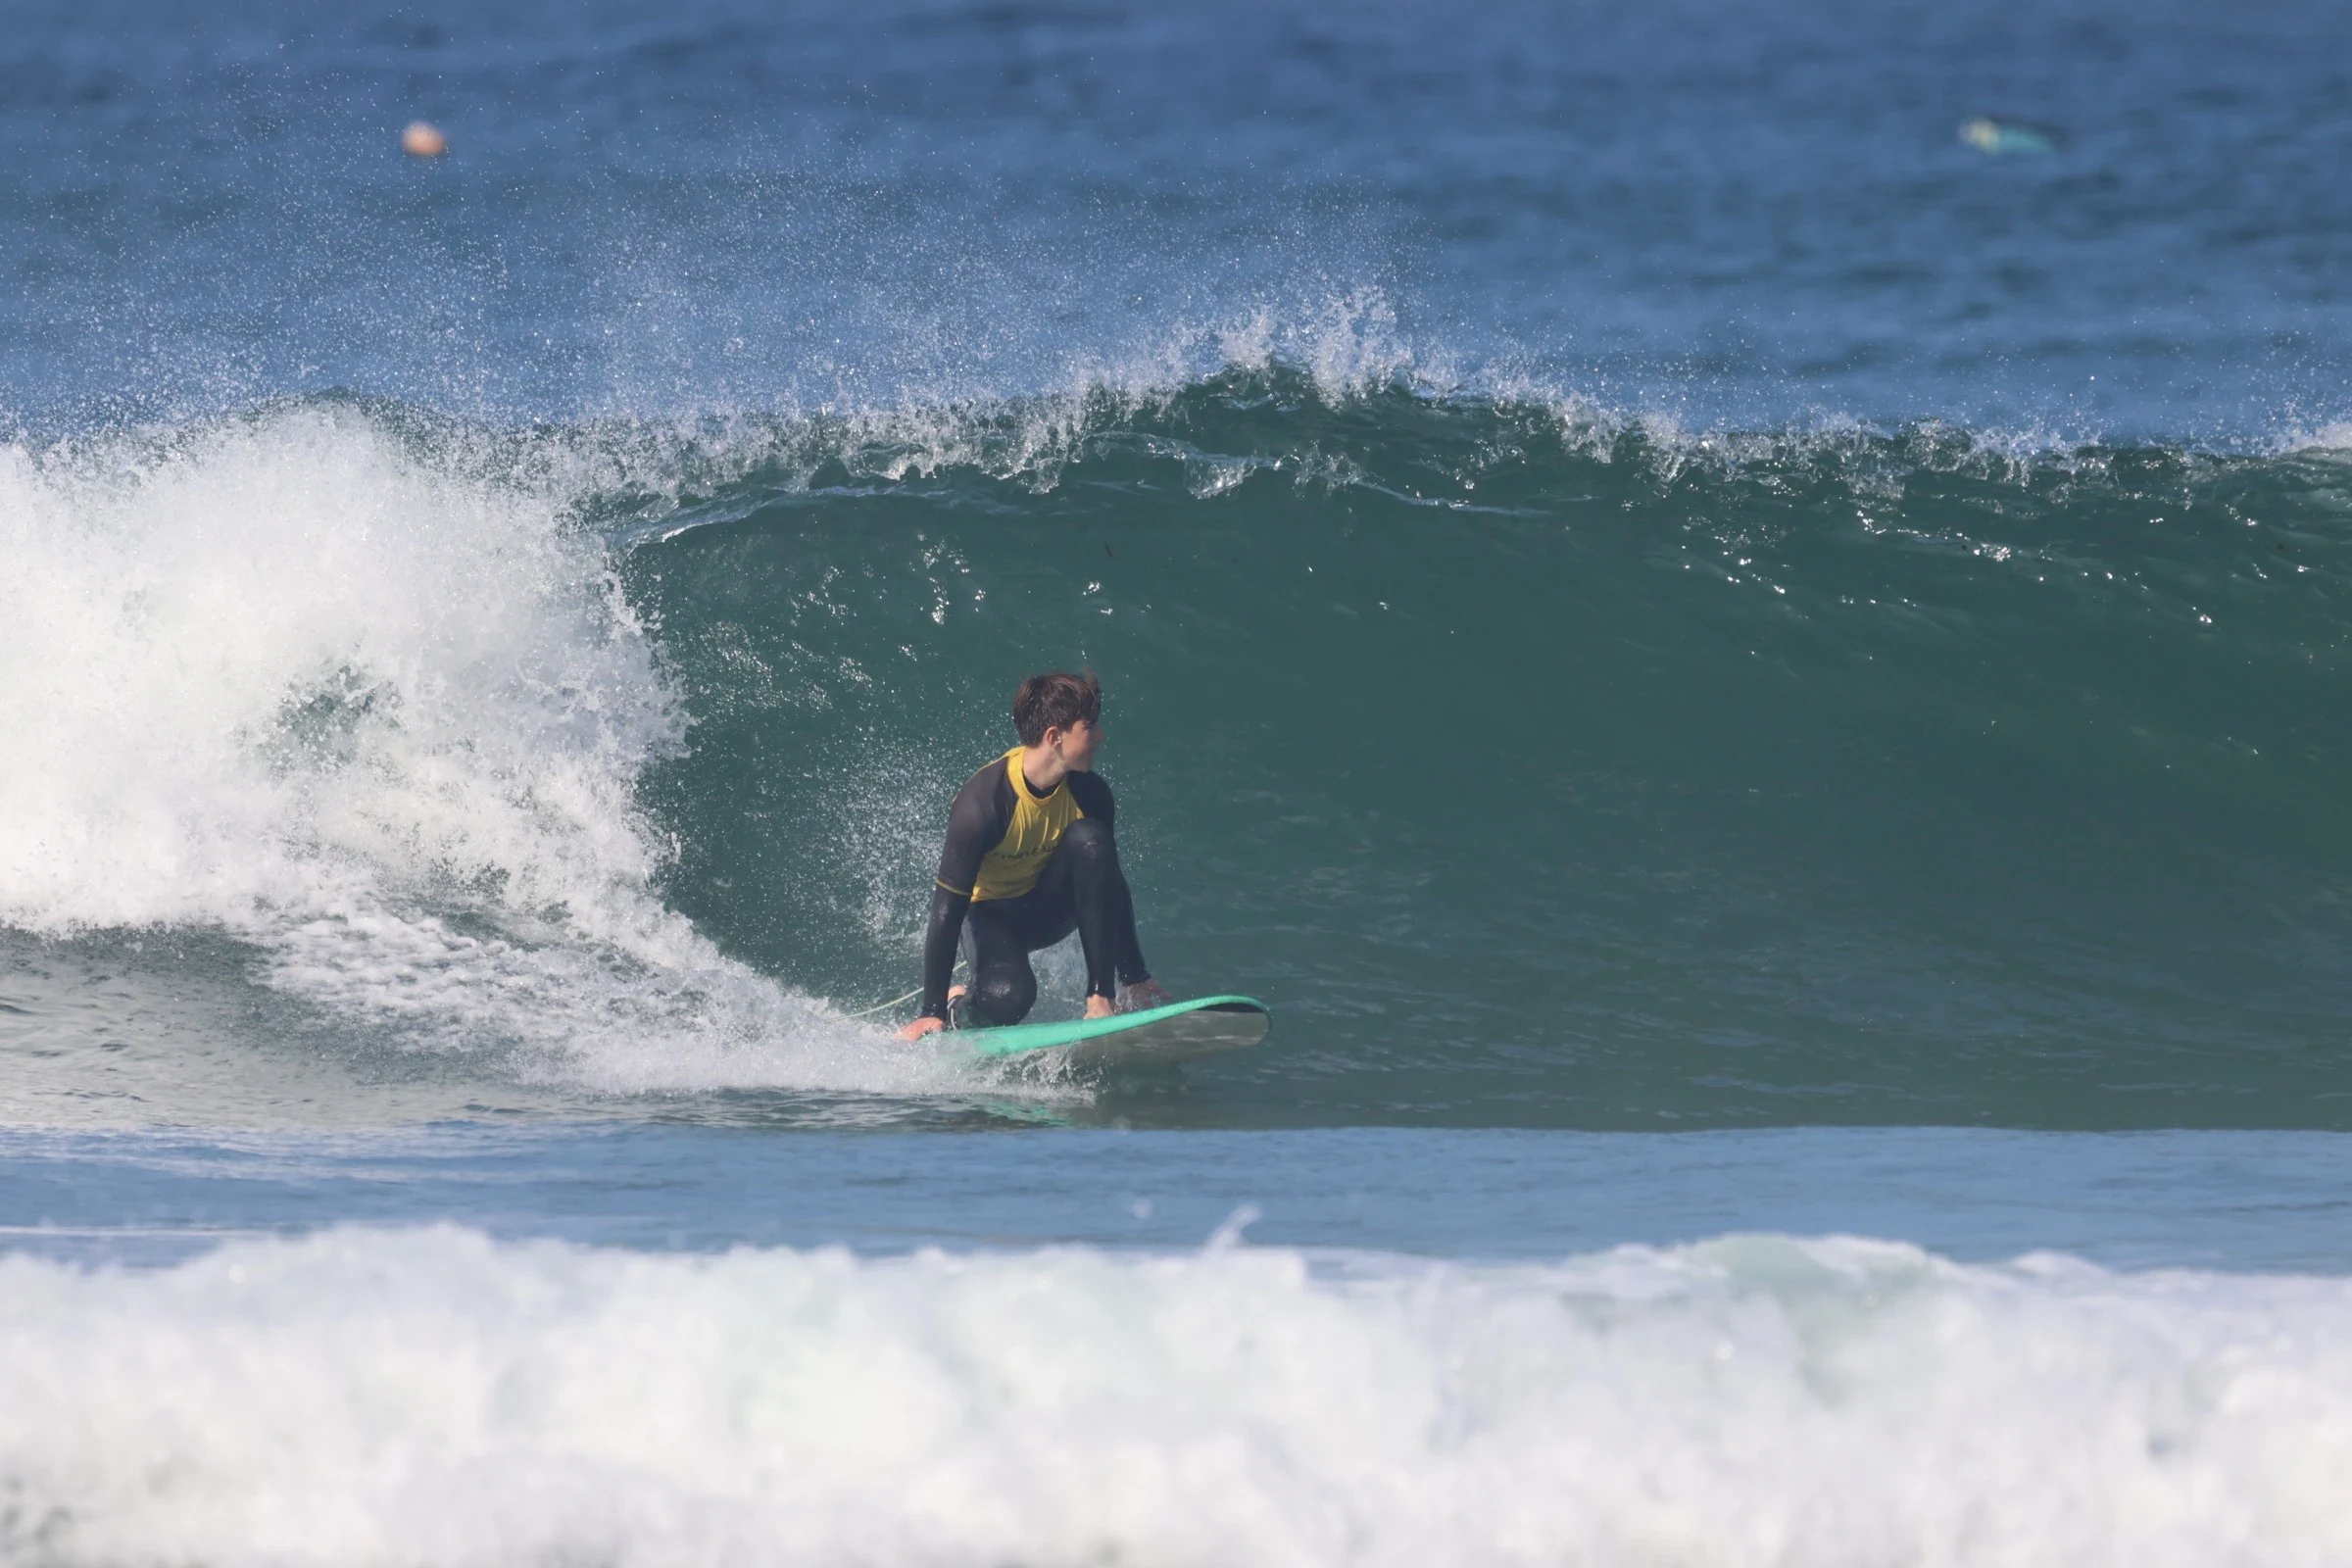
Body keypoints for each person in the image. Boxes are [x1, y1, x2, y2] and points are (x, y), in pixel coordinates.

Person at [897, 671, 1171, 1041]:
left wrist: (1133, 974)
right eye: (1089, 727)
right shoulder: (983, 804)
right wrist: (929, 1011)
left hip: (1044, 910)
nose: (1100, 736)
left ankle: (1100, 999)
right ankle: (957, 1008)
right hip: (989, 917)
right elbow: (947, 910)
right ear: (1054, 737)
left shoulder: (1091, 794)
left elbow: (1110, 888)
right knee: (1009, 997)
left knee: (1092, 841)